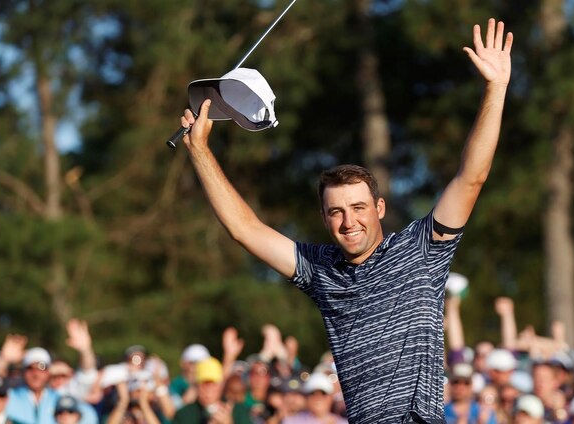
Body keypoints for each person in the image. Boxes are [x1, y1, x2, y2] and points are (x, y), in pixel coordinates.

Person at [178, 17, 513, 423]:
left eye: (358, 208)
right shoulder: (321, 271)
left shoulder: (420, 250)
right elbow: (244, 229)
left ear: (380, 209)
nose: (348, 221)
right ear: (324, 218)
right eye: (336, 211)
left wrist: (495, 89)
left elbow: (471, 177)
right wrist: (200, 152)